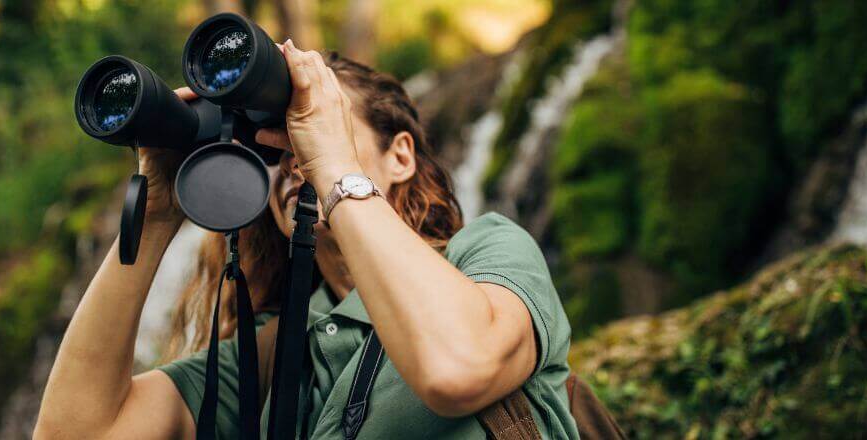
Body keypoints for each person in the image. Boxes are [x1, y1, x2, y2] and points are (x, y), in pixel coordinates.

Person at [35, 40, 578, 439]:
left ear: (401, 156)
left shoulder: (487, 256)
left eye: (312, 132)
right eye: (275, 148)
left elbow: (455, 369)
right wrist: (156, 215)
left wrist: (333, 162)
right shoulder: (279, 352)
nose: (295, 161)